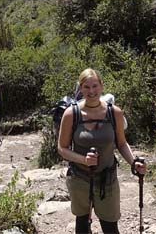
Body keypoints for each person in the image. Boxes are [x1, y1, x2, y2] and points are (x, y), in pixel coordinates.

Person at [58, 68, 147, 234]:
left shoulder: (115, 113)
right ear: (80, 88)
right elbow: (62, 149)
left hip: (108, 178)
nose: (91, 91)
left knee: (110, 226)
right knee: (82, 224)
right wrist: (83, 159)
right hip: (80, 178)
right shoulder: (71, 114)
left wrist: (133, 162)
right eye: (86, 87)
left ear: (101, 86)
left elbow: (121, 143)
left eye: (95, 86)